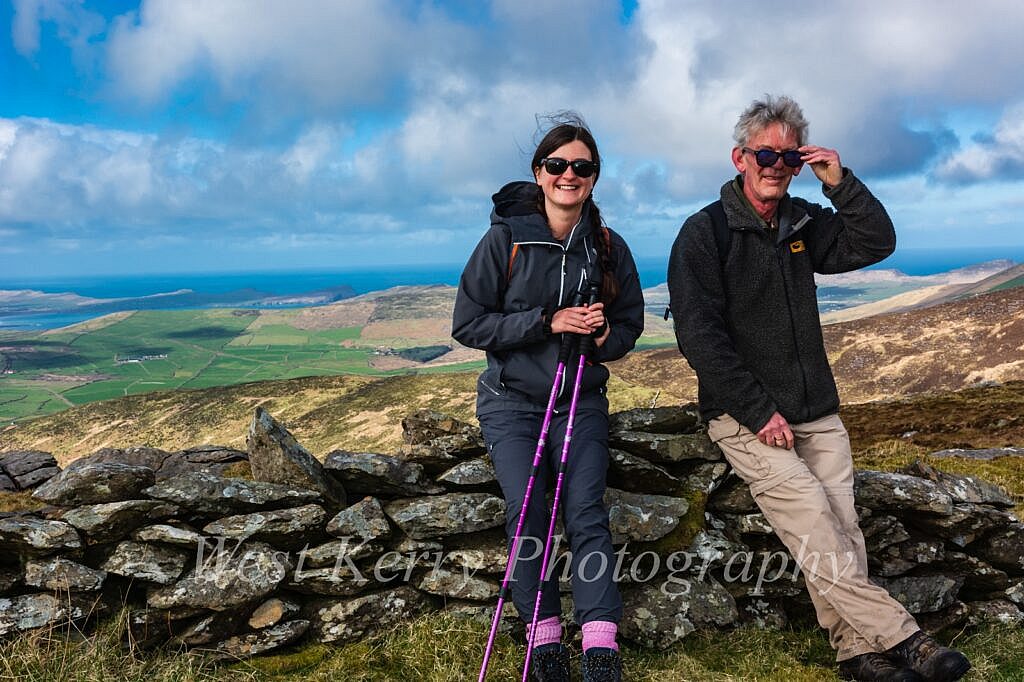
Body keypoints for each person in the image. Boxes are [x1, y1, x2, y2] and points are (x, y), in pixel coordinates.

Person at [667, 95, 972, 682]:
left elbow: (875, 243)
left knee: (842, 531)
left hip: (817, 411)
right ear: (739, 158)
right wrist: (759, 413)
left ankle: (857, 656)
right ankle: (907, 642)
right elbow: (700, 341)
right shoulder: (704, 233)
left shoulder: (803, 220)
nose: (776, 164)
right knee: (816, 527)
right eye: (764, 153)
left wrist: (841, 180)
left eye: (789, 156)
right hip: (747, 418)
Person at [452, 114, 644, 682]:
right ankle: (544, 641)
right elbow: (468, 324)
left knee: (586, 513)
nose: (569, 175)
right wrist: (547, 321)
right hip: (512, 401)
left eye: (581, 167)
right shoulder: (506, 238)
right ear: (539, 173)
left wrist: (605, 334)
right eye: (557, 165)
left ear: (593, 177)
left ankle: (600, 647)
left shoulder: (607, 246)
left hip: (579, 397)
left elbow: (628, 326)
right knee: (527, 514)